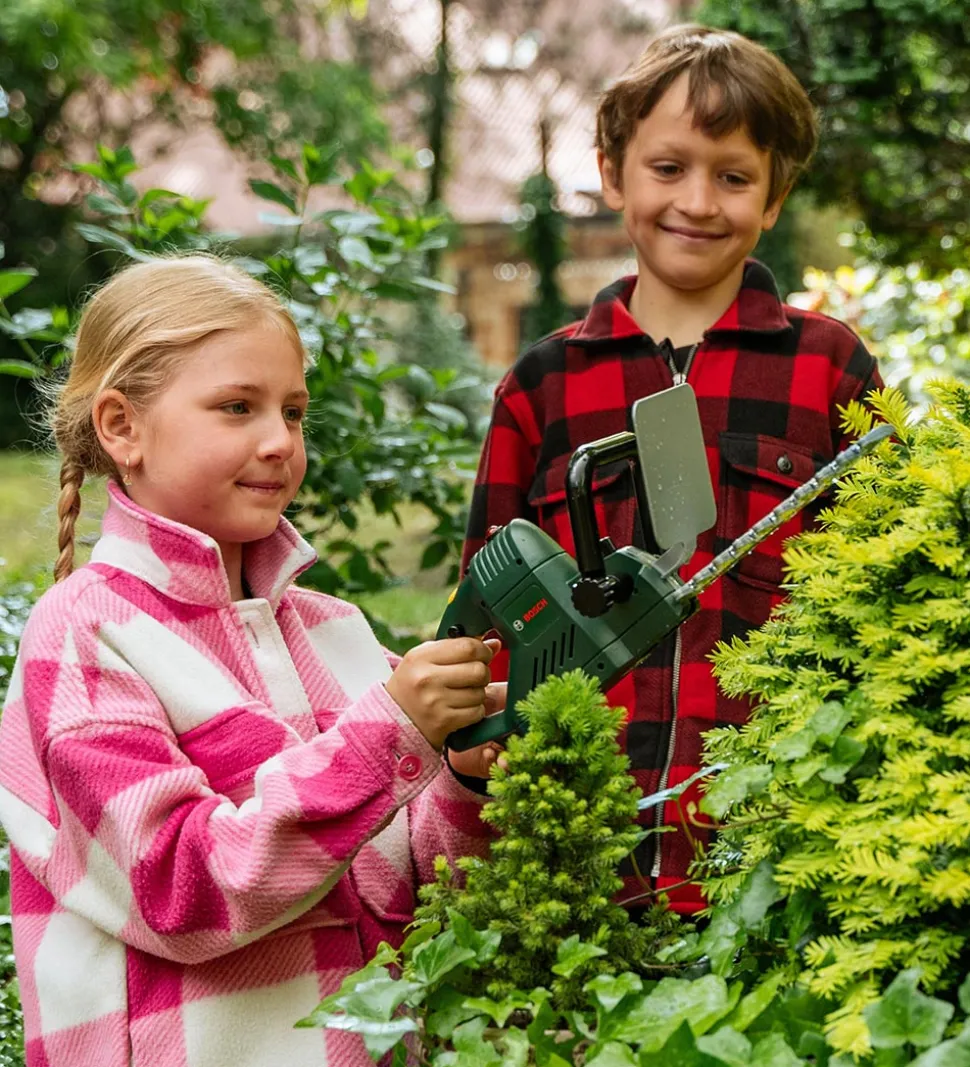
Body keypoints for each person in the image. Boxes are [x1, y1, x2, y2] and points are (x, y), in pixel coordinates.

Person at [0, 255, 504, 1067]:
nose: (279, 440)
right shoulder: (85, 634)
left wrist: (464, 776)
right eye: (237, 407)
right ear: (121, 426)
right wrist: (388, 736)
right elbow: (181, 887)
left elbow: (419, 886)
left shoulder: (333, 629)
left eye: (294, 411)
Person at [463, 23, 883, 914]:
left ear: (773, 198)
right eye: (668, 168)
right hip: (578, 863)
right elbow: (484, 611)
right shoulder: (544, 383)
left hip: (775, 860)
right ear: (614, 174)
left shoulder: (830, 369)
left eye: (733, 176)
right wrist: (472, 729)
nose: (698, 200)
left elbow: (879, 609)